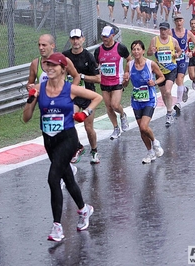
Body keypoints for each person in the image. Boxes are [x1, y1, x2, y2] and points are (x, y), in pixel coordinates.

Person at [22, 53, 102, 242]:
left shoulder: (70, 89)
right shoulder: (39, 88)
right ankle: (84, 210)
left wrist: (86, 112)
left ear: (63, 69)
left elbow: (97, 97)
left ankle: (57, 226)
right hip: (49, 141)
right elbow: (26, 118)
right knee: (68, 178)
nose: (49, 68)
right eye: (47, 65)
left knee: (53, 178)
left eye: (53, 66)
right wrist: (30, 98)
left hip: (68, 139)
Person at [62, 29, 101, 164]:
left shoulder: (88, 57)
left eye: (78, 38)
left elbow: (98, 78)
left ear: (83, 39)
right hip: (73, 96)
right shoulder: (65, 56)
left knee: (88, 127)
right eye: (73, 38)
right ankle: (78, 147)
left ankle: (94, 151)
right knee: (68, 122)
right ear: (70, 40)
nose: (75, 41)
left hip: (88, 96)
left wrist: (83, 77)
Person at [123, 40, 165, 164]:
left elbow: (162, 76)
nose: (136, 52)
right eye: (134, 49)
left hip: (149, 99)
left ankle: (156, 143)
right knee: (142, 130)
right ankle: (150, 152)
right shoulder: (129, 65)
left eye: (138, 49)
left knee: (143, 126)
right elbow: (125, 83)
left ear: (143, 50)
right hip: (136, 99)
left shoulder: (150, 64)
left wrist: (155, 82)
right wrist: (125, 80)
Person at [94, 26, 131, 139]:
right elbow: (96, 64)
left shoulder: (120, 48)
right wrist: (99, 70)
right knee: (109, 107)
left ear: (113, 35)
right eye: (103, 36)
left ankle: (123, 115)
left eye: (107, 36)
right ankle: (116, 128)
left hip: (117, 81)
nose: (104, 38)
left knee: (115, 105)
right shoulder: (98, 50)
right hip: (105, 82)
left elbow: (129, 59)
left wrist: (126, 72)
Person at [147, 22, 182, 126]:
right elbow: (148, 53)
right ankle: (168, 109)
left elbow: (180, 51)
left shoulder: (173, 40)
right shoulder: (155, 40)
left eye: (164, 29)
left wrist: (177, 54)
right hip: (159, 71)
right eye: (161, 29)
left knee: (167, 91)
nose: (163, 31)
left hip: (171, 69)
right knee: (163, 94)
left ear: (168, 30)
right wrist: (151, 51)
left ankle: (169, 113)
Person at [170, 14, 195, 114]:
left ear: (183, 21)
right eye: (177, 21)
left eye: (180, 20)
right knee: (175, 81)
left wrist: (191, 52)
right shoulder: (171, 32)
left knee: (180, 78)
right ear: (175, 22)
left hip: (183, 58)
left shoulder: (188, 33)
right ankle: (184, 89)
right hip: (174, 58)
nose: (179, 23)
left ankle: (178, 103)